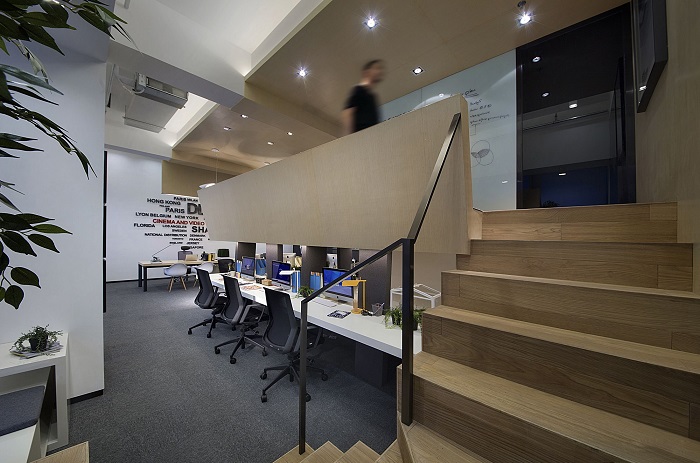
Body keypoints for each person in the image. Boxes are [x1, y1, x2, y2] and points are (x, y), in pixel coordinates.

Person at [342, 59, 385, 135]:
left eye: (380, 69)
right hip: (360, 136)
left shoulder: (373, 96)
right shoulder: (359, 89)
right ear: (367, 72)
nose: (379, 71)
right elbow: (348, 112)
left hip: (372, 136)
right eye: (376, 68)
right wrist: (349, 137)